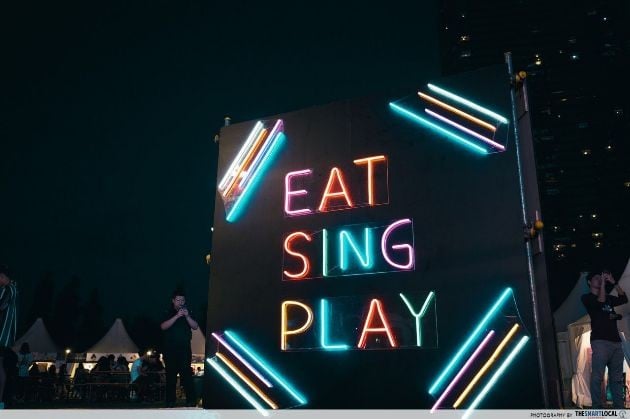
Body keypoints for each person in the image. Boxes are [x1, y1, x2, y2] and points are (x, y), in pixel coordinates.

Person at [581, 270, 628, 408]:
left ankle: (619, 409)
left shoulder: (608, 298)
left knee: (617, 379)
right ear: (589, 282)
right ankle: (597, 408)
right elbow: (600, 302)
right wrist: (603, 284)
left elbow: (623, 299)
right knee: (597, 377)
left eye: (600, 278)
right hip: (600, 341)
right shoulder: (587, 298)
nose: (600, 279)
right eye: (596, 278)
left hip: (616, 341)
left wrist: (614, 282)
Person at [160, 289, 198, 407]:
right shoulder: (167, 312)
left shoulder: (188, 312)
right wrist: (177, 316)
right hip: (170, 349)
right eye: (178, 300)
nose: (181, 302)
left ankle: (191, 400)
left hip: (184, 349)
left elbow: (195, 326)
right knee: (171, 375)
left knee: (186, 374)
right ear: (173, 300)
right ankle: (170, 401)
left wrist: (187, 316)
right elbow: (163, 326)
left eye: (182, 300)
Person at [0, 265, 17, 409]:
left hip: (1, 335)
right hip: (6, 337)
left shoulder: (8, 289)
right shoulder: (13, 289)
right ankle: (1, 402)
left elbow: (1, 305)